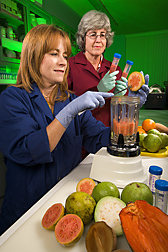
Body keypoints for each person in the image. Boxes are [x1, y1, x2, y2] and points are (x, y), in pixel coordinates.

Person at [0, 24, 114, 235]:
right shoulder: (12, 99)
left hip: (66, 203)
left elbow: (99, 138)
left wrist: (128, 113)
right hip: (26, 211)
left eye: (65, 55)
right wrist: (68, 113)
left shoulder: (69, 99)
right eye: (54, 54)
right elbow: (27, 150)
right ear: (34, 56)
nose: (63, 61)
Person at [68, 10, 150, 127]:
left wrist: (132, 103)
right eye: (93, 34)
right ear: (83, 38)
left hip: (108, 137)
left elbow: (122, 115)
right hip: (80, 139)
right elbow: (65, 111)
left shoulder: (117, 71)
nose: (98, 40)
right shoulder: (69, 66)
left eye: (102, 35)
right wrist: (98, 90)